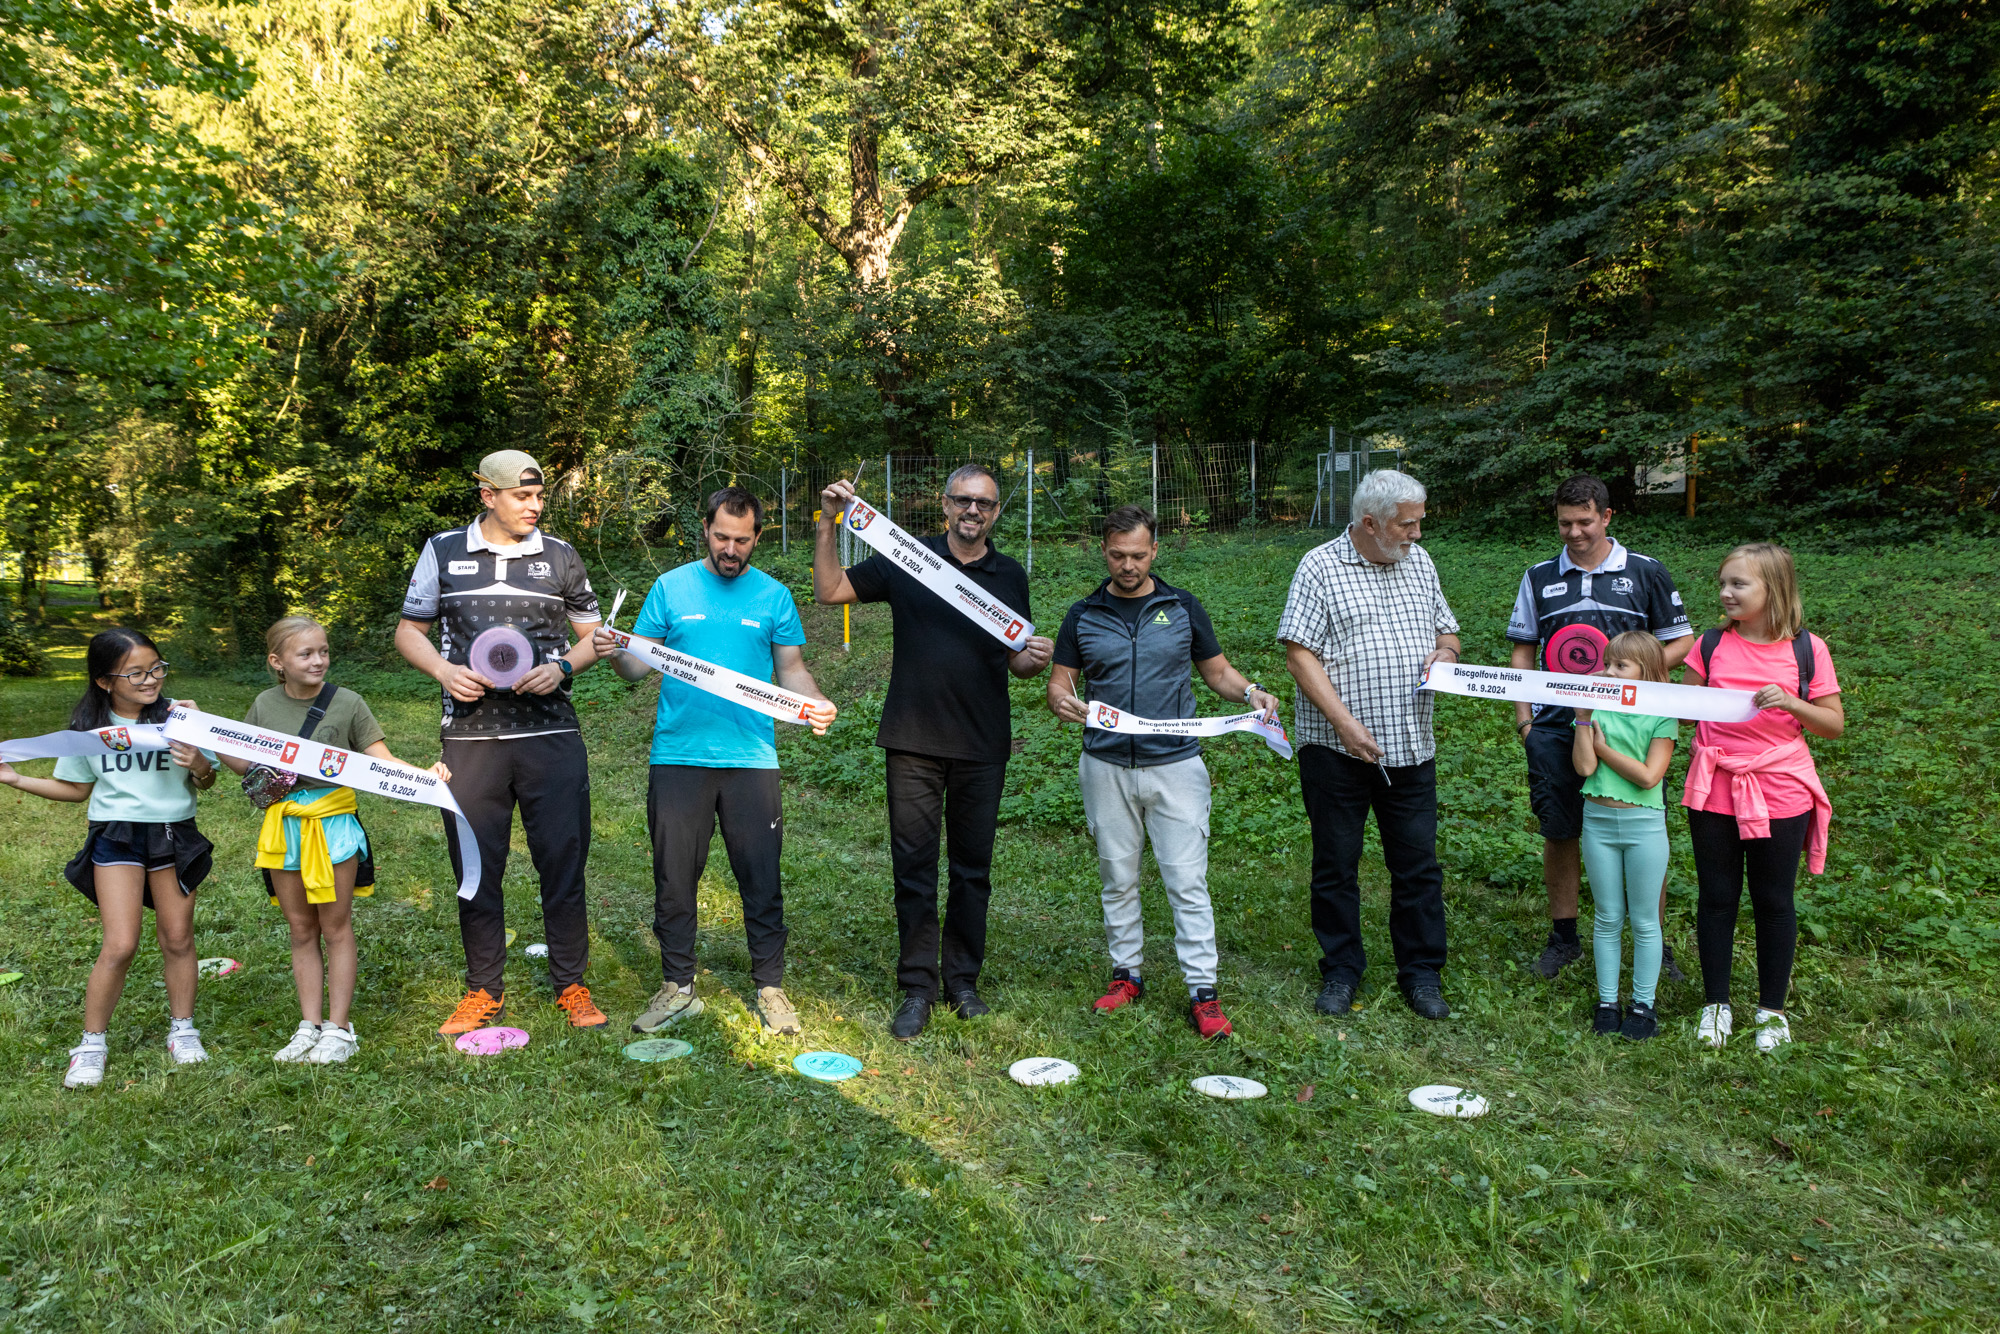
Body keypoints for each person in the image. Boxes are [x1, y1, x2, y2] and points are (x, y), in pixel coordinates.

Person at [813, 463, 1054, 1040]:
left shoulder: (1009, 574)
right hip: (913, 742)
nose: (974, 511)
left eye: (985, 505)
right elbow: (829, 591)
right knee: (915, 869)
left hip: (982, 744)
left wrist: (1033, 658)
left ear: (996, 514)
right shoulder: (907, 558)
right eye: (963, 501)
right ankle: (917, 987)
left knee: (974, 871)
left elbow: (1016, 663)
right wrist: (827, 523)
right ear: (945, 506)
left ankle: (963, 982)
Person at [595, 486, 838, 1038]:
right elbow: (637, 669)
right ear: (705, 530)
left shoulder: (774, 596)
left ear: (757, 537)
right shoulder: (670, 587)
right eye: (722, 537)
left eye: (742, 540)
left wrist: (812, 702)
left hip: (752, 759)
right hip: (678, 756)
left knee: (761, 876)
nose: (731, 549)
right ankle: (677, 986)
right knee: (675, 877)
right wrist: (616, 652)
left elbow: (792, 669)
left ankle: (770, 987)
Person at [1045, 505, 1280, 1040]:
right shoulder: (1082, 615)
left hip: (1175, 765)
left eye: (1138, 554)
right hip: (1105, 765)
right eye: (1117, 555)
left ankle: (1203, 991)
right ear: (1102, 552)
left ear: (1155, 551)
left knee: (1187, 880)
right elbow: (1061, 683)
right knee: (1117, 876)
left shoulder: (1181, 606)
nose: (1128, 565)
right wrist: (1061, 700)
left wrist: (1251, 693)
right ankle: (1126, 976)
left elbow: (1217, 671)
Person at [396, 449, 609, 1036]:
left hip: (552, 736)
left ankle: (571, 982)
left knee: (563, 862)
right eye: (523, 496)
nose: (536, 507)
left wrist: (565, 665)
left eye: (540, 497)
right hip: (469, 740)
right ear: (487, 495)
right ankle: (483, 989)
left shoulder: (561, 556)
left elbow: (594, 636)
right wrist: (443, 672)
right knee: (475, 866)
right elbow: (408, 632)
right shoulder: (442, 550)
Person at [223, 615, 451, 1065]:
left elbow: (379, 759)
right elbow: (246, 764)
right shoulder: (264, 704)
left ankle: (340, 1027)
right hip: (284, 828)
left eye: (323, 651)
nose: (319, 660)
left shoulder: (348, 703)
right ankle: (309, 1025)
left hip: (334, 826)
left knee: (335, 926)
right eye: (306, 653)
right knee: (301, 927)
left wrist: (421, 777)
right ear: (277, 662)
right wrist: (194, 736)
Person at [1278, 469, 1462, 1020]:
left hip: (1410, 745)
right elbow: (1299, 654)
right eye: (1407, 524)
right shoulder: (1319, 567)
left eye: (1418, 523)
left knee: (1417, 865)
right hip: (1335, 750)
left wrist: (1447, 655)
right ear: (1369, 523)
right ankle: (1340, 969)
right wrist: (1344, 724)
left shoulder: (1420, 564)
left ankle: (1422, 974)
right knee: (1337, 863)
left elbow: (1446, 630)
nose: (1417, 534)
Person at [0, 629, 218, 1087]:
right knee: (120, 945)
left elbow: (207, 779)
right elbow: (76, 790)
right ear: (104, 681)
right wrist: (17, 781)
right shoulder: (89, 732)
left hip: (174, 835)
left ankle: (183, 1030)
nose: (149, 680)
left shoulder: (181, 717)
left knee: (178, 939)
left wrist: (197, 761)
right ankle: (91, 1044)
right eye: (135, 673)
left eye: (156, 668)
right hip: (116, 839)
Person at [1505, 474, 1693, 980]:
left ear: (1607, 517)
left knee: (1639, 829)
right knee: (1560, 829)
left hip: (1630, 731)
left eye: (1584, 521)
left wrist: (1636, 684)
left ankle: (1654, 942)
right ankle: (1564, 938)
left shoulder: (1647, 571)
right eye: (1565, 523)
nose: (1574, 532)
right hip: (1557, 726)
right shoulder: (1539, 575)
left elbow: (1679, 641)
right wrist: (1526, 721)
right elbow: (1524, 648)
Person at [1682, 543, 1842, 1052]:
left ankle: (1771, 1010)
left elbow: (1833, 725)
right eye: (1723, 583)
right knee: (1717, 898)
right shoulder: (1709, 645)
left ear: (1773, 589)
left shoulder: (1807, 650)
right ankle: (1716, 1004)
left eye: (1739, 584)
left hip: (1781, 790)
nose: (1725, 593)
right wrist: (1624, 690)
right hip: (1713, 788)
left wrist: (1794, 702)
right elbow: (1683, 712)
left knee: (1774, 901)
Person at [1569, 632, 1679, 1041]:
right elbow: (1583, 768)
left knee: (1645, 919)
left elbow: (1651, 775)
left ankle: (1643, 1004)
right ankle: (1607, 1001)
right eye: (1608, 663)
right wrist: (1582, 720)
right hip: (1597, 821)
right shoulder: (1595, 707)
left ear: (1646, 671)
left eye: (1620, 666)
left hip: (1643, 826)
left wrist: (1606, 751)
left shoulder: (1662, 715)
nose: (1608, 671)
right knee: (1607, 916)